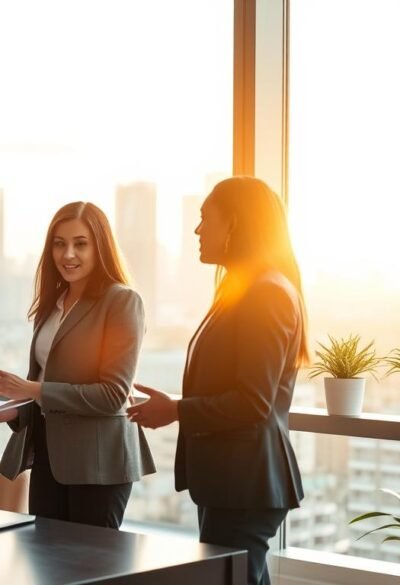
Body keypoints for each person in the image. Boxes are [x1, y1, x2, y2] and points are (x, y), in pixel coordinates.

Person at [127, 176, 307, 585]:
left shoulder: (266, 294)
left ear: (236, 224)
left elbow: (252, 402)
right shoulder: (245, 288)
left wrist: (175, 410)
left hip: (245, 484)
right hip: (233, 482)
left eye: (206, 218)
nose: (197, 230)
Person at [0, 201, 155, 529]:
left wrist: (32, 390)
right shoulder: (51, 305)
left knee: (91, 570)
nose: (68, 254)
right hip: (48, 459)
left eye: (80, 244)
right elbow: (42, 388)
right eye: (59, 244)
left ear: (100, 247)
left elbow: (113, 395)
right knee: (46, 566)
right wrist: (14, 411)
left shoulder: (122, 301)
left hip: (97, 467)